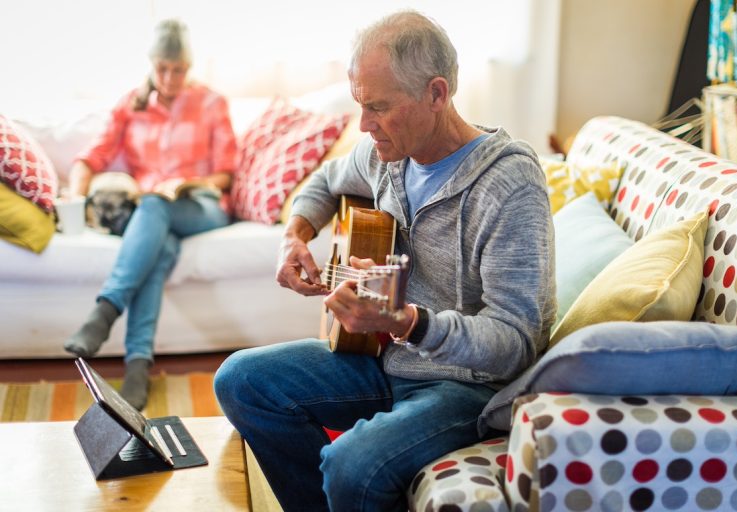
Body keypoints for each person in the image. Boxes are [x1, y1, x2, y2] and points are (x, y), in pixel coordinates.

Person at [214, 10, 555, 511]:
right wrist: (295, 234)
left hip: (466, 386)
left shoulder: (509, 185)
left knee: (353, 464)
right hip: (382, 360)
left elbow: (517, 342)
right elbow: (325, 180)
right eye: (360, 104)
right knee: (239, 381)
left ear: (436, 94)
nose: (363, 124)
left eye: (378, 107)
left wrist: (411, 323)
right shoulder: (384, 155)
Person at [64, 19, 238, 410]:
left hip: (202, 207)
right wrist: (73, 200)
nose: (170, 77)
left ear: (189, 67)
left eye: (179, 69)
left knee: (156, 203)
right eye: (162, 68)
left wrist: (190, 184)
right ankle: (137, 367)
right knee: (158, 247)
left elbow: (226, 174)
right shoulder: (131, 104)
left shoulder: (212, 103)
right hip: (153, 215)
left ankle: (105, 310)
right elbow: (90, 157)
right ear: (151, 63)